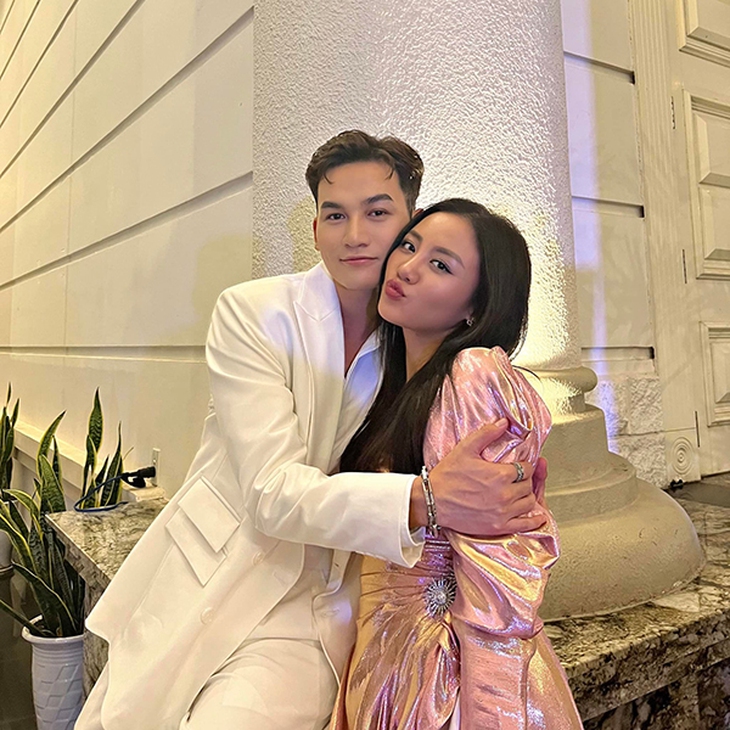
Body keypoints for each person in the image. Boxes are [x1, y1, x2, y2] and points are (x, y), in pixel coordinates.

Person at [76, 132, 549, 730]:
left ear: (408, 218)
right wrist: (424, 498)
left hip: (320, 608)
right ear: (317, 227)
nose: (355, 236)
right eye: (335, 215)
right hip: (221, 570)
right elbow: (271, 492)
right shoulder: (254, 312)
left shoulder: (423, 346)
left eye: (378, 213)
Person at [331, 199, 583, 729]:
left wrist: (491, 707)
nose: (407, 268)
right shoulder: (391, 382)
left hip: (440, 667)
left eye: (440, 265)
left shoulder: (473, 373)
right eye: (409, 245)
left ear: (476, 307)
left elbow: (499, 562)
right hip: (387, 645)